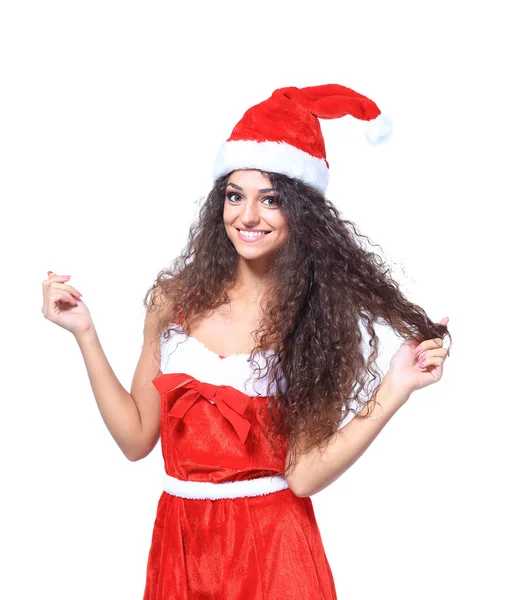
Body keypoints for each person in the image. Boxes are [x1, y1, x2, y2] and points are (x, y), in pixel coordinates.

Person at [41, 84, 452, 599]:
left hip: (273, 550)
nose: (247, 216)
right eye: (235, 196)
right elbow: (135, 439)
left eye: (271, 200)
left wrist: (395, 387)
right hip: (182, 543)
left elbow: (302, 478)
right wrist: (85, 333)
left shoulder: (313, 320)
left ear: (301, 213)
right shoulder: (173, 301)